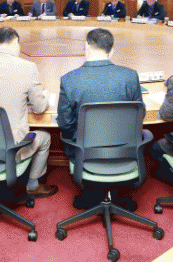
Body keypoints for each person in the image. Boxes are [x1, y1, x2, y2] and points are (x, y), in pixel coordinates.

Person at [0, 27, 58, 198]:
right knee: (45, 137)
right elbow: (39, 108)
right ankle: (33, 185)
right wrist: (44, 96)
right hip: (11, 149)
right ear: (15, 42)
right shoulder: (28, 67)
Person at [57, 28, 142, 209]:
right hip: (124, 153)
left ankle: (92, 193)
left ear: (86, 46)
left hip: (85, 154)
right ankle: (118, 192)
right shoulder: (130, 76)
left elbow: (65, 124)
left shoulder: (69, 80)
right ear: (111, 51)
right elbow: (139, 115)